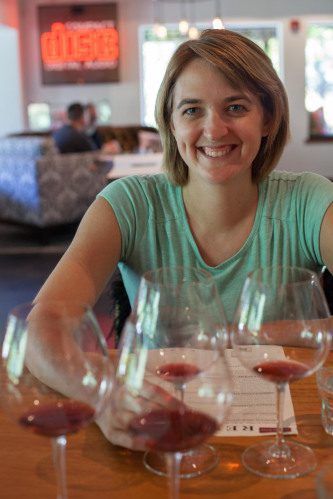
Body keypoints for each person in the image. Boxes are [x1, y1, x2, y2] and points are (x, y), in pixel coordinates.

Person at [34, 28, 333, 449]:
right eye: (192, 110)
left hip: (287, 439)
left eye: (235, 106)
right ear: (170, 124)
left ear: (267, 118)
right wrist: (102, 395)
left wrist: (247, 332)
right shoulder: (128, 205)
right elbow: (42, 328)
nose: (214, 129)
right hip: (159, 430)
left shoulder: (309, 200)